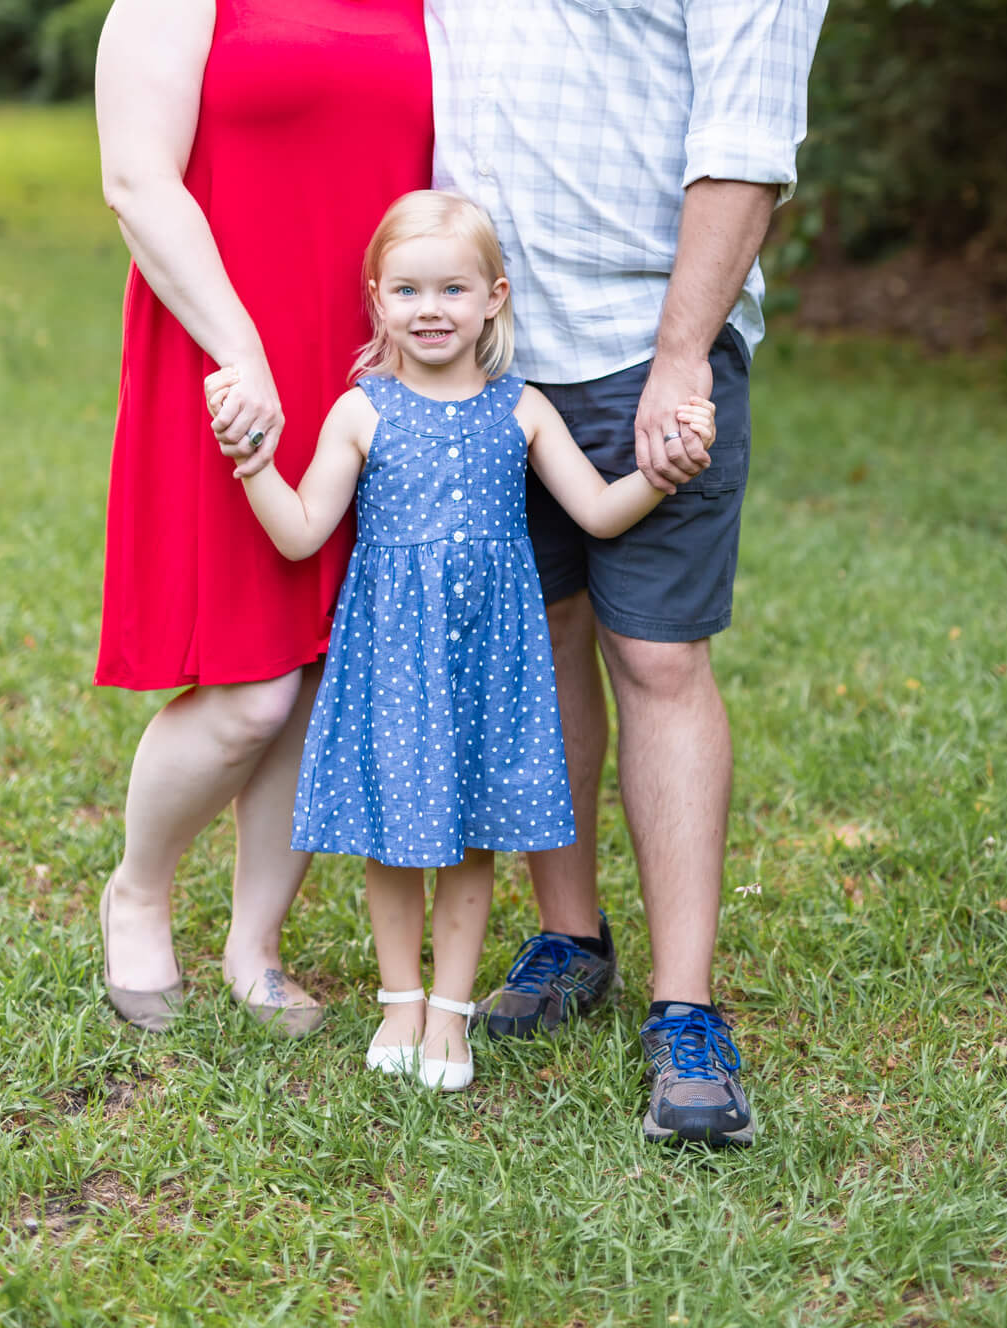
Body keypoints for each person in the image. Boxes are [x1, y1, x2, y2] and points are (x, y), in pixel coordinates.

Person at [405, 0, 831, 1147]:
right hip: (476, 360)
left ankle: (685, 1007)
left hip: (636, 350)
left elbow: (743, 145)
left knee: (653, 658)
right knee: (543, 642)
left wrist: (680, 360)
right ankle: (569, 936)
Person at [203, 190, 716, 1091]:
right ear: (376, 300)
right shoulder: (362, 411)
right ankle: (399, 1000)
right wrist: (253, 465)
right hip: (393, 661)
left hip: (487, 665)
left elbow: (597, 513)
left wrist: (659, 474)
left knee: (470, 839)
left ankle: (449, 1012)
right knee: (393, 842)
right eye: (406, 291)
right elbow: (298, 531)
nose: (429, 309)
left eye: (452, 289)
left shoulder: (520, 411)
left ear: (495, 298)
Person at [92, 0, 437, 1034]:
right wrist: (242, 352)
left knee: (319, 662)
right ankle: (136, 893)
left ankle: (252, 947)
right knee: (245, 686)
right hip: (227, 354)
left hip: (370, 368)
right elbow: (136, 178)